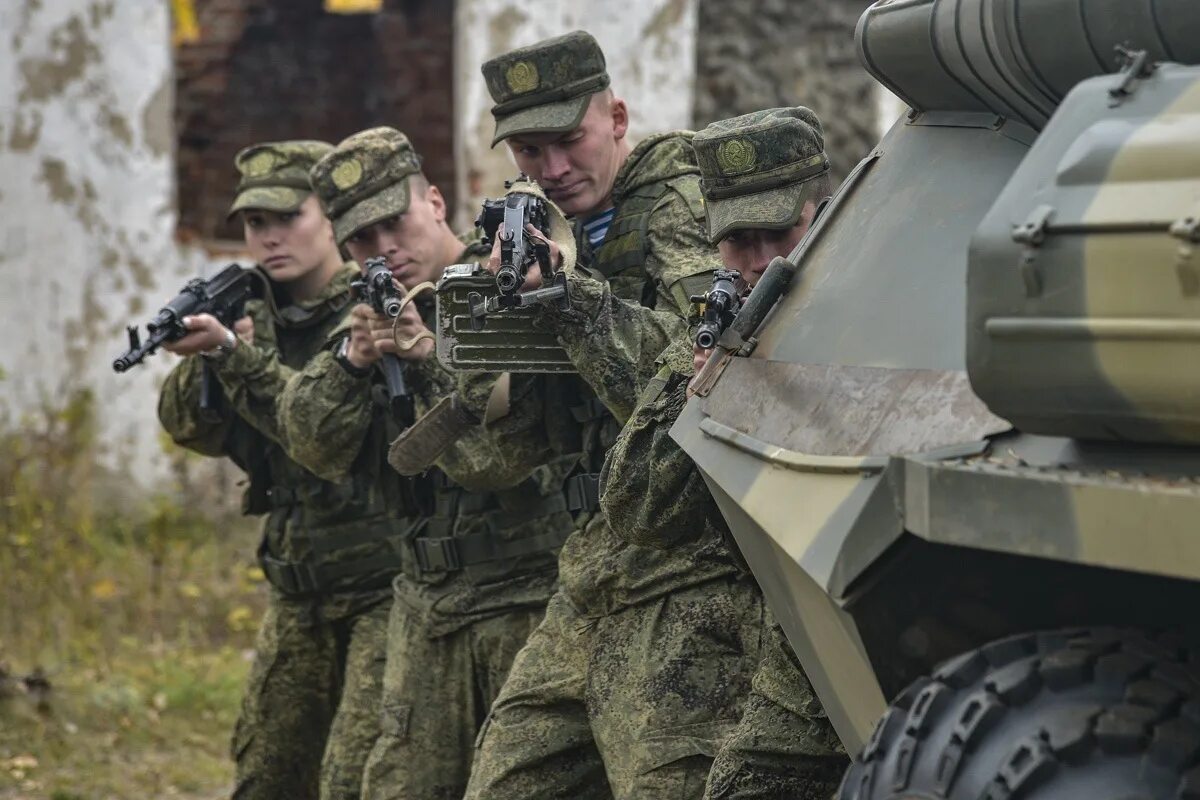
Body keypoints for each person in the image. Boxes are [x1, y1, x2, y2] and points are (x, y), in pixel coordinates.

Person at [463, 32, 767, 799]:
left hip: (689, 568)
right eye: (530, 150)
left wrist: (569, 294)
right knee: (507, 779)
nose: (553, 169)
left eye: (569, 141)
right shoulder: (559, 229)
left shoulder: (677, 201)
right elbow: (513, 448)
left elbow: (702, 377)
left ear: (617, 117)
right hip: (597, 565)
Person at [280, 126, 578, 799]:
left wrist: (428, 359)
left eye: (395, 222)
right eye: (360, 239)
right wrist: (350, 364)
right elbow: (308, 445)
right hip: (425, 608)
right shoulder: (369, 317)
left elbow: (498, 461)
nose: (383, 248)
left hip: (525, 600)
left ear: (436, 203)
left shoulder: (505, 289)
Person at [595, 107, 850, 800]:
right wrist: (699, 380)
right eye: (737, 241)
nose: (759, 260)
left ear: (825, 215)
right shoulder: (719, 332)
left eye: (777, 234)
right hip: (797, 666)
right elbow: (639, 507)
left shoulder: (880, 307)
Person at [157, 140, 419, 800]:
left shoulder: (370, 305)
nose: (269, 239)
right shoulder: (256, 312)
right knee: (267, 774)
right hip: (298, 587)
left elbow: (317, 431)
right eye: (254, 224)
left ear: (330, 217)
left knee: (355, 778)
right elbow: (189, 427)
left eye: (286, 218)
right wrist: (215, 354)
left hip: (382, 585)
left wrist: (238, 359)